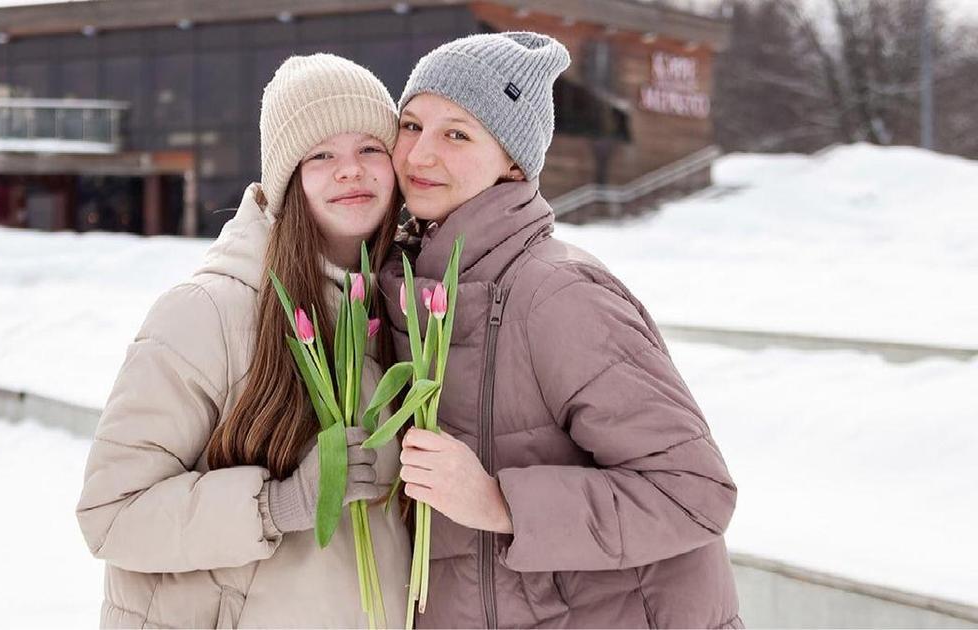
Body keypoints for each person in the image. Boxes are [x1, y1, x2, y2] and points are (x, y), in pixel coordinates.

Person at [380, 32, 742, 628]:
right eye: (412, 125)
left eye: (457, 134)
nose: (419, 155)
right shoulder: (403, 289)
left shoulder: (558, 295)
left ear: (514, 162)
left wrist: (500, 503)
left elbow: (694, 493)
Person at [76, 53, 411, 628]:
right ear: (285, 177)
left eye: (370, 148)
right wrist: (277, 506)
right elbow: (111, 516)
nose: (350, 170)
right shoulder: (207, 312)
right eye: (321, 155)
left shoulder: (406, 314)